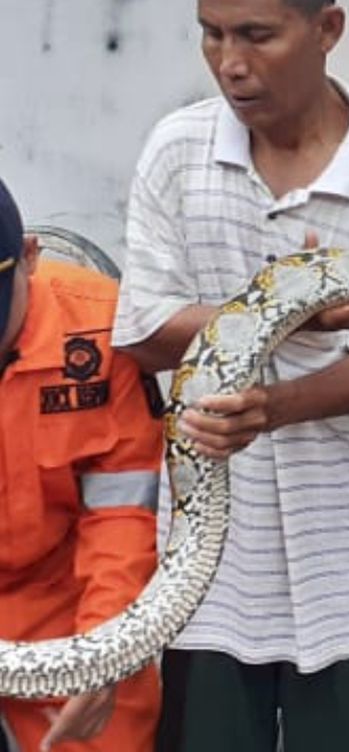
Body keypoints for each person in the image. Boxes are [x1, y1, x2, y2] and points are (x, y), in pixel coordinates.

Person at [111, 0, 349, 750]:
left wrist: (272, 406)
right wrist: (285, 314)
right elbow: (137, 329)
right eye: (212, 33)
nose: (230, 64)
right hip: (214, 572)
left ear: (327, 28)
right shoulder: (177, 150)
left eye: (257, 35)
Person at [0, 178, 162, 752]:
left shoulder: (101, 330)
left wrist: (104, 652)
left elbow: (121, 514)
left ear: (30, 256)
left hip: (71, 607)